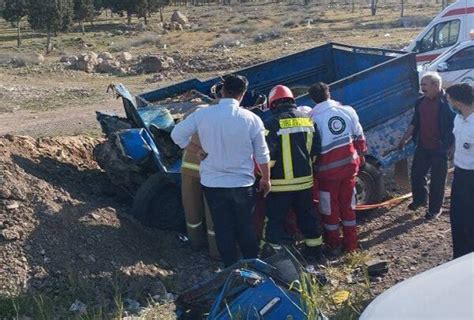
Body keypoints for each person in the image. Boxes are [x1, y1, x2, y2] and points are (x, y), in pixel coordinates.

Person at [171, 74, 271, 267]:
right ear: (242, 95)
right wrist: (266, 179)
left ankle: (230, 267)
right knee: (245, 226)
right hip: (242, 183)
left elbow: (177, 135)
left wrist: (196, 150)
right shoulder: (252, 119)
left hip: (213, 183)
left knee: (222, 227)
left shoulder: (203, 115)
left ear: (222, 91)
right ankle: (252, 264)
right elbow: (262, 153)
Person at [261, 85, 323, 261]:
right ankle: (315, 254)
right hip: (305, 182)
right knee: (308, 218)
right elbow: (316, 150)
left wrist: (263, 177)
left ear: (273, 104)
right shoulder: (308, 121)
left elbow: (268, 156)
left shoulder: (272, 124)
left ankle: (271, 257)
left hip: (280, 186)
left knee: (274, 221)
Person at [308, 82, 367, 255]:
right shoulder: (347, 110)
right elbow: (359, 136)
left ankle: (333, 245)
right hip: (349, 168)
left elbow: (312, 147)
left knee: (329, 210)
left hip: (327, 174)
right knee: (348, 206)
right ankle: (351, 245)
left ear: (313, 99)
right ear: (329, 93)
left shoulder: (313, 118)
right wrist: (361, 155)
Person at [398, 72, 455, 220]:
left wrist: (452, 146)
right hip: (423, 146)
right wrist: (404, 139)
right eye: (421, 84)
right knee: (416, 175)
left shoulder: (448, 103)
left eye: (425, 85)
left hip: (440, 148)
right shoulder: (420, 102)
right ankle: (419, 200)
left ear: (436, 85)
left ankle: (434, 210)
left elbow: (457, 126)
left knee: (437, 180)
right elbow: (414, 122)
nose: (422, 88)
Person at [180, 83, 223, 259]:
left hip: (189, 166)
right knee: (214, 213)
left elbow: (179, 132)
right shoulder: (230, 116)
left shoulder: (197, 111)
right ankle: (216, 251)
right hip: (211, 169)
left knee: (192, 209)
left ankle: (195, 244)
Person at [445, 83, 474, 259]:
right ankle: (460, 257)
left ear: (457, 101)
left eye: (449, 100)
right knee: (458, 218)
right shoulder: (458, 119)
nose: (449, 104)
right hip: (460, 174)